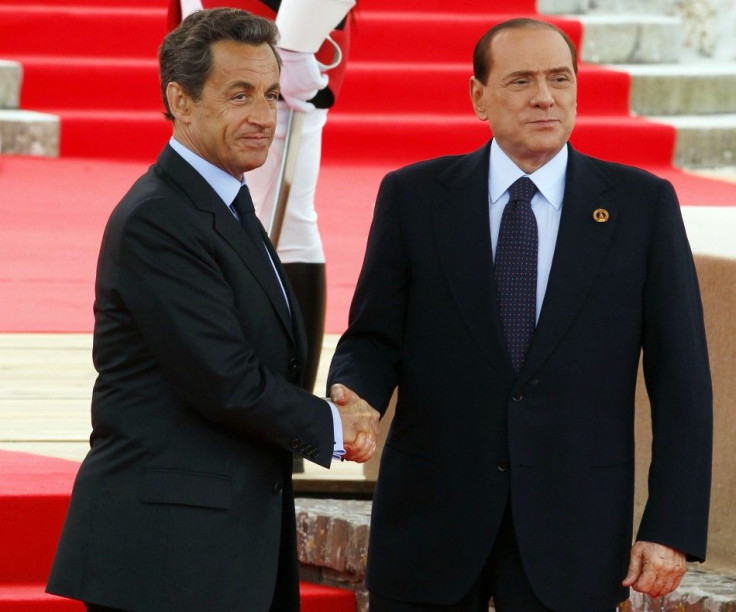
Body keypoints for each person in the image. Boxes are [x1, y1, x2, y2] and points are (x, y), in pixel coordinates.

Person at [328, 17, 712, 612]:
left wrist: (671, 527)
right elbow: (374, 336)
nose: (544, 96)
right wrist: (355, 391)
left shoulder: (642, 206)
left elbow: (682, 380)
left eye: (560, 78)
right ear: (478, 97)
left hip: (575, 532)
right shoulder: (415, 196)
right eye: (521, 80)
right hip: (432, 522)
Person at [46, 9, 378, 612]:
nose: (262, 116)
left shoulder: (224, 200)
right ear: (181, 100)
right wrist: (338, 429)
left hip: (214, 550)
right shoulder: (160, 218)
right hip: (164, 559)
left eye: (272, 94)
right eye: (239, 94)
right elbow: (226, 379)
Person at [169, 0, 354, 395]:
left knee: (284, 228)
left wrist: (297, 44)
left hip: (276, 27)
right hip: (226, 29)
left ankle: (287, 425)